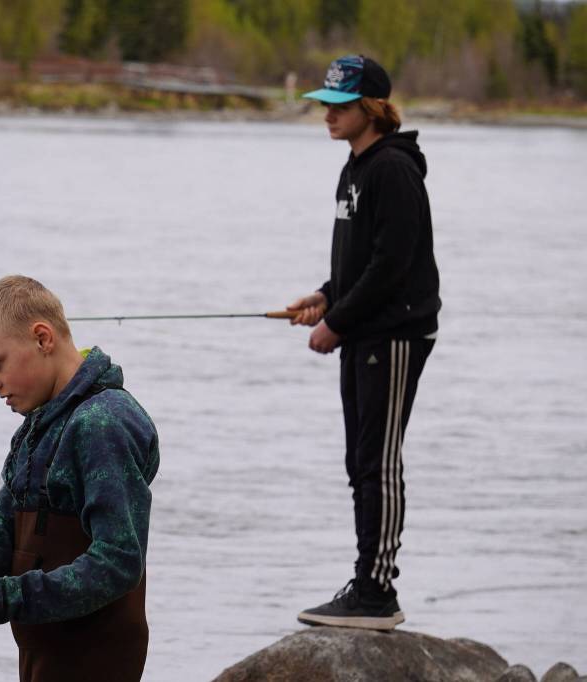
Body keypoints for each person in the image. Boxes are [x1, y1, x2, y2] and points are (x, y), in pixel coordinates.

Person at [0, 275, 160, 681]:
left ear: (42, 338)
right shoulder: (39, 423)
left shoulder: (104, 422)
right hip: (44, 655)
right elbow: (1, 522)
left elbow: (119, 561)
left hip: (94, 661)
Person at [289, 55, 441, 631]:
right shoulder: (354, 168)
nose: (327, 115)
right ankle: (366, 584)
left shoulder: (393, 169)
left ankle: (377, 593)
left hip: (396, 332)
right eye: (325, 104)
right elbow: (360, 261)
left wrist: (339, 322)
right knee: (361, 459)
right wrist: (326, 297)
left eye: (340, 106)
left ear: (372, 109)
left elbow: (393, 265)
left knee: (377, 461)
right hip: (365, 328)